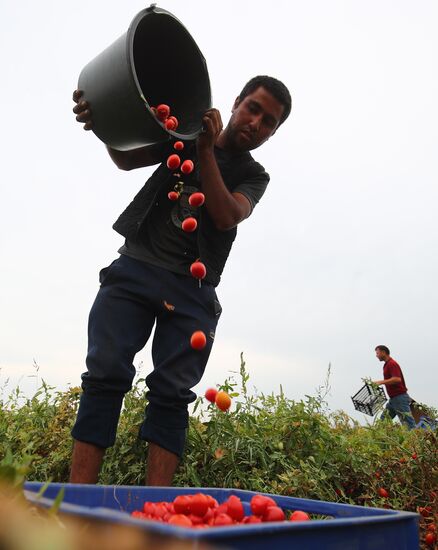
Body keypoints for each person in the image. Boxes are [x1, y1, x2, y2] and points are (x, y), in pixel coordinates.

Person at [70, 75, 292, 485]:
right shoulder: (186, 130)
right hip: (136, 269)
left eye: (269, 122)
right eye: (253, 109)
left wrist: (205, 150)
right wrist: (100, 117)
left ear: (272, 133)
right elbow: (125, 157)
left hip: (193, 291)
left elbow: (226, 216)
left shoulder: (253, 175)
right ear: (237, 102)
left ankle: (156, 519)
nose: (256, 123)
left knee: (171, 396)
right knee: (104, 376)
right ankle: (75, 502)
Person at [373, 345, 416, 429]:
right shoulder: (386, 365)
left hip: (399, 398)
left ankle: (416, 441)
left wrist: (380, 382)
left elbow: (397, 379)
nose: (376, 355)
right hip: (393, 399)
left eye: (377, 353)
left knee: (408, 424)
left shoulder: (392, 364)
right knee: (383, 421)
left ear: (383, 352)